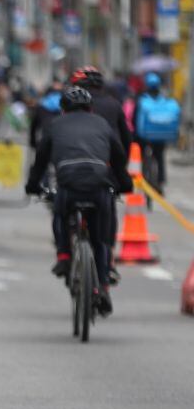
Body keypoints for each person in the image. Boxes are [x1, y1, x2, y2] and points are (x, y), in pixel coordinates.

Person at [25, 86, 133, 315]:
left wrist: (33, 186)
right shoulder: (102, 124)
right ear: (90, 108)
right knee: (101, 241)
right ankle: (102, 287)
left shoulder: (55, 125)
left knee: (60, 214)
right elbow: (119, 156)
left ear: (63, 110)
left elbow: (41, 159)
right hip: (99, 185)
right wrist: (125, 184)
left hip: (69, 185)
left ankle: (64, 255)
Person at [71, 65, 131, 284]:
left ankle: (67, 252)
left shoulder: (70, 105)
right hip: (106, 172)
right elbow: (124, 141)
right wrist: (121, 170)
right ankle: (109, 260)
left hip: (72, 171)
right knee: (107, 213)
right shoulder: (114, 105)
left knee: (65, 205)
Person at [134, 72, 180, 195]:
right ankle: (160, 181)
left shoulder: (142, 99)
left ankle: (144, 180)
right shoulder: (164, 99)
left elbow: (135, 119)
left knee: (144, 156)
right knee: (159, 157)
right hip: (161, 135)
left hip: (144, 136)